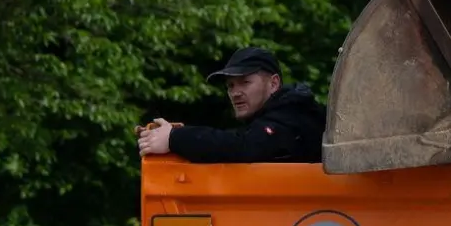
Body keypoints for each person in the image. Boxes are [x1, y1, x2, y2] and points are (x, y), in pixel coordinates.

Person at [137, 48, 326, 164]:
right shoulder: (281, 114)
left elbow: (241, 147)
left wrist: (174, 138)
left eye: (245, 82)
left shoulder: (293, 115)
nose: (235, 93)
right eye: (230, 86)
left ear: (274, 83)